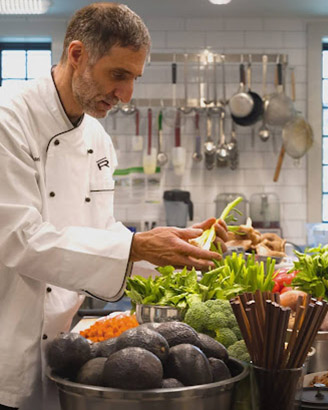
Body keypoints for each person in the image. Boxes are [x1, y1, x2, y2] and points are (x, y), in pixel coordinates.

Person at [0, 3, 228, 409]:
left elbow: (101, 231)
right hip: (5, 350)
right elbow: (20, 240)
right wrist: (136, 247)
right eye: (118, 75)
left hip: (62, 354)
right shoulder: (8, 118)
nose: (126, 95)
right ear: (77, 55)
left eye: (134, 78)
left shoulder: (97, 139)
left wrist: (177, 246)